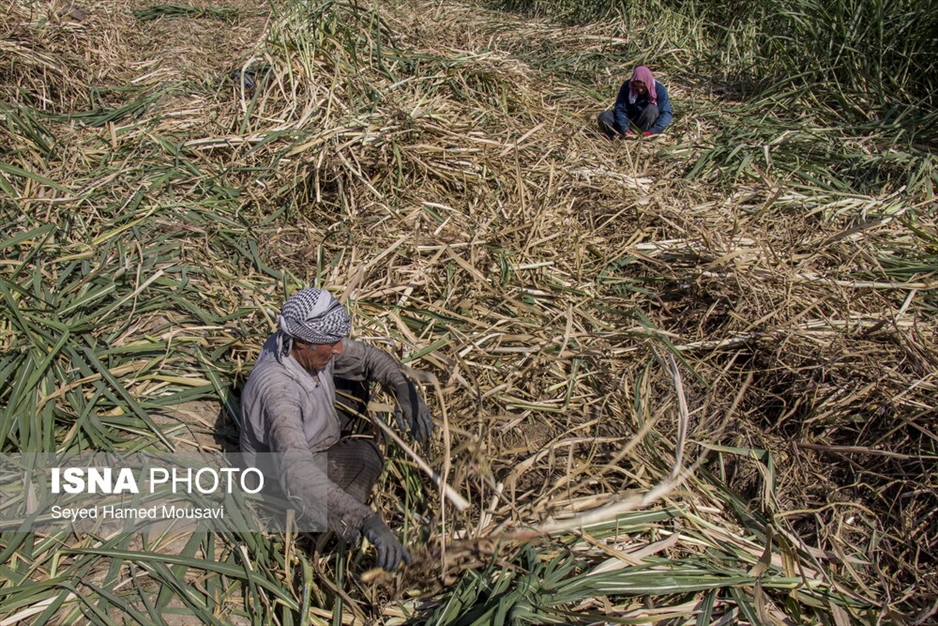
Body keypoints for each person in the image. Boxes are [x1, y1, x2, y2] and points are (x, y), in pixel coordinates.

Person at [239, 287, 433, 572]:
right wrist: (365, 519)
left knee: (357, 382)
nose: (339, 348)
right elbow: (296, 471)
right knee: (365, 456)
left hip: (309, 436)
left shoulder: (299, 346)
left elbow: (369, 358)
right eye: (331, 343)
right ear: (303, 342)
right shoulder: (279, 394)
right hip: (279, 477)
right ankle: (333, 538)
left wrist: (404, 388)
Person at [598, 66, 673, 138]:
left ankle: (641, 137)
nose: (640, 90)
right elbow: (620, 109)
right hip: (629, 120)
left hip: (646, 123)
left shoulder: (659, 89)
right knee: (605, 116)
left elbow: (666, 113)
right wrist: (624, 128)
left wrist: (653, 131)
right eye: (636, 87)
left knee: (652, 109)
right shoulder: (627, 87)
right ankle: (620, 136)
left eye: (643, 87)